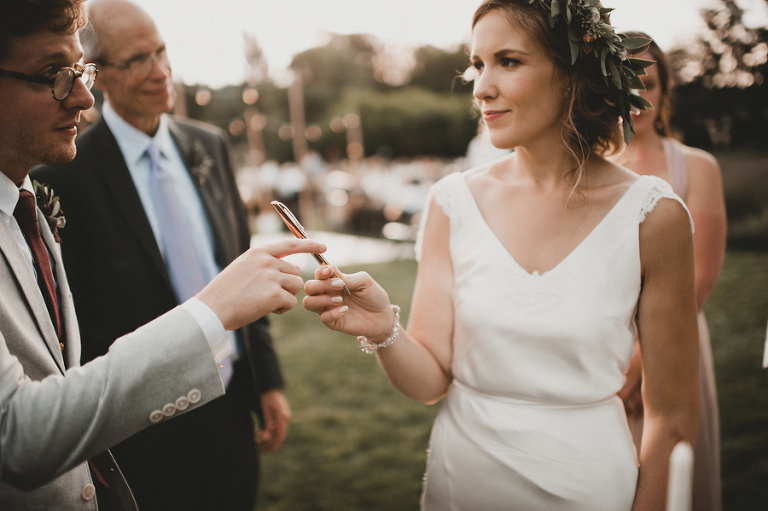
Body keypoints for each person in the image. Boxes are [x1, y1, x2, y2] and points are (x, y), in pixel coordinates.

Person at [303, 1, 701, 510]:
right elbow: (430, 382)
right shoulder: (452, 203)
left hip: (590, 487)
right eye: (477, 64)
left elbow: (672, 416)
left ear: (572, 74)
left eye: (508, 61)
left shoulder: (653, 216)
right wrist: (383, 329)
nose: (481, 87)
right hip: (462, 481)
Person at [0, 1, 325, 509]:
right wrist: (211, 311)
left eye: (161, 52)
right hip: (139, 431)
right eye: (136, 60)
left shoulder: (209, 146)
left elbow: (234, 261)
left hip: (231, 404)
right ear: (106, 75)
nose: (159, 71)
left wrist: (268, 383)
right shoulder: (59, 177)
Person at [613, 33, 727, 511]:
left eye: (650, 83)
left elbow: (699, 279)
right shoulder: (587, 166)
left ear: (664, 91)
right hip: (606, 344)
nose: (638, 96)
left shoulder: (697, 167)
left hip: (673, 342)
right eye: (625, 82)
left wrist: (637, 368)